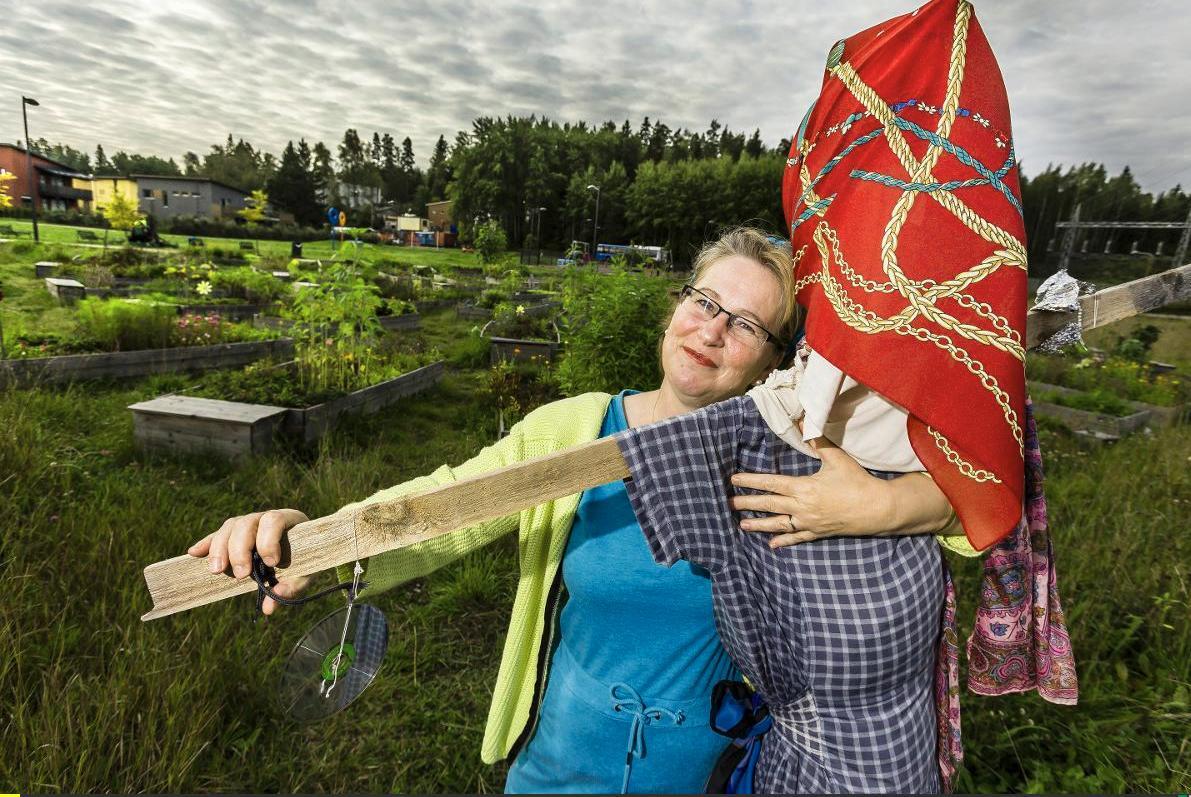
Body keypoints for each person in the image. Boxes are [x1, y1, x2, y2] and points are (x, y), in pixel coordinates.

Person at [188, 227, 963, 794]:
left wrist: (883, 502)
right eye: (704, 301)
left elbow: (972, 508)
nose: (713, 330)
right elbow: (442, 507)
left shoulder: (785, 457)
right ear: (674, 307)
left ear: (772, 357)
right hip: (557, 766)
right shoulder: (575, 428)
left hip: (705, 776)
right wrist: (310, 539)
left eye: (747, 324)